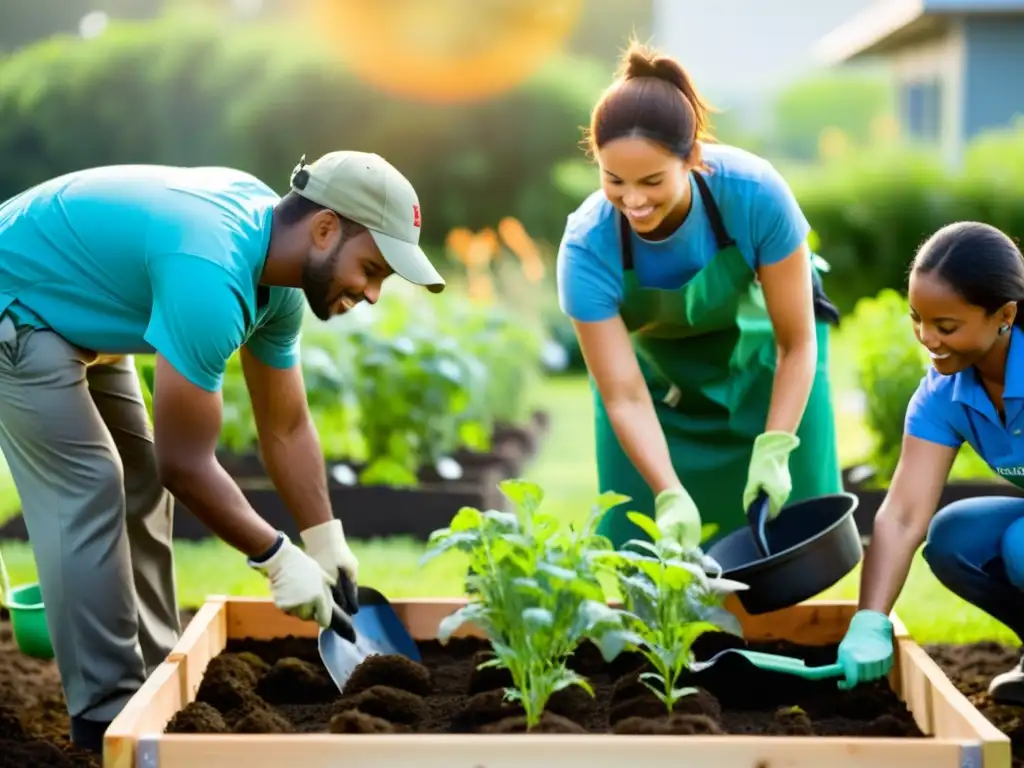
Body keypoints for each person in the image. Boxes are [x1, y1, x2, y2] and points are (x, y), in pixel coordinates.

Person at [0, 150, 445, 750]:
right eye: (371, 268)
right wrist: (275, 557)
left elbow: (285, 426)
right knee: (89, 486)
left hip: (83, 305)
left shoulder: (277, 281)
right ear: (323, 229)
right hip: (20, 302)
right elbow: (184, 464)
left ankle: (158, 675)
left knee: (140, 484)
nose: (371, 294)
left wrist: (324, 538)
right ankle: (105, 718)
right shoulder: (210, 272)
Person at [555, 39, 842, 551]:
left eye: (651, 180)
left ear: (693, 158)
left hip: (768, 360)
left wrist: (776, 448)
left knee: (794, 538)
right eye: (613, 179)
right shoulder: (586, 247)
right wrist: (666, 491)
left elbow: (795, 343)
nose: (634, 200)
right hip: (655, 379)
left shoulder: (755, 195)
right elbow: (622, 394)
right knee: (639, 545)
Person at [836, 220, 1024, 703]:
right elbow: (902, 514)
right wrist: (869, 620)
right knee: (954, 537)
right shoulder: (945, 392)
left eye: (946, 326)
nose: (927, 338)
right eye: (917, 318)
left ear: (1004, 314)